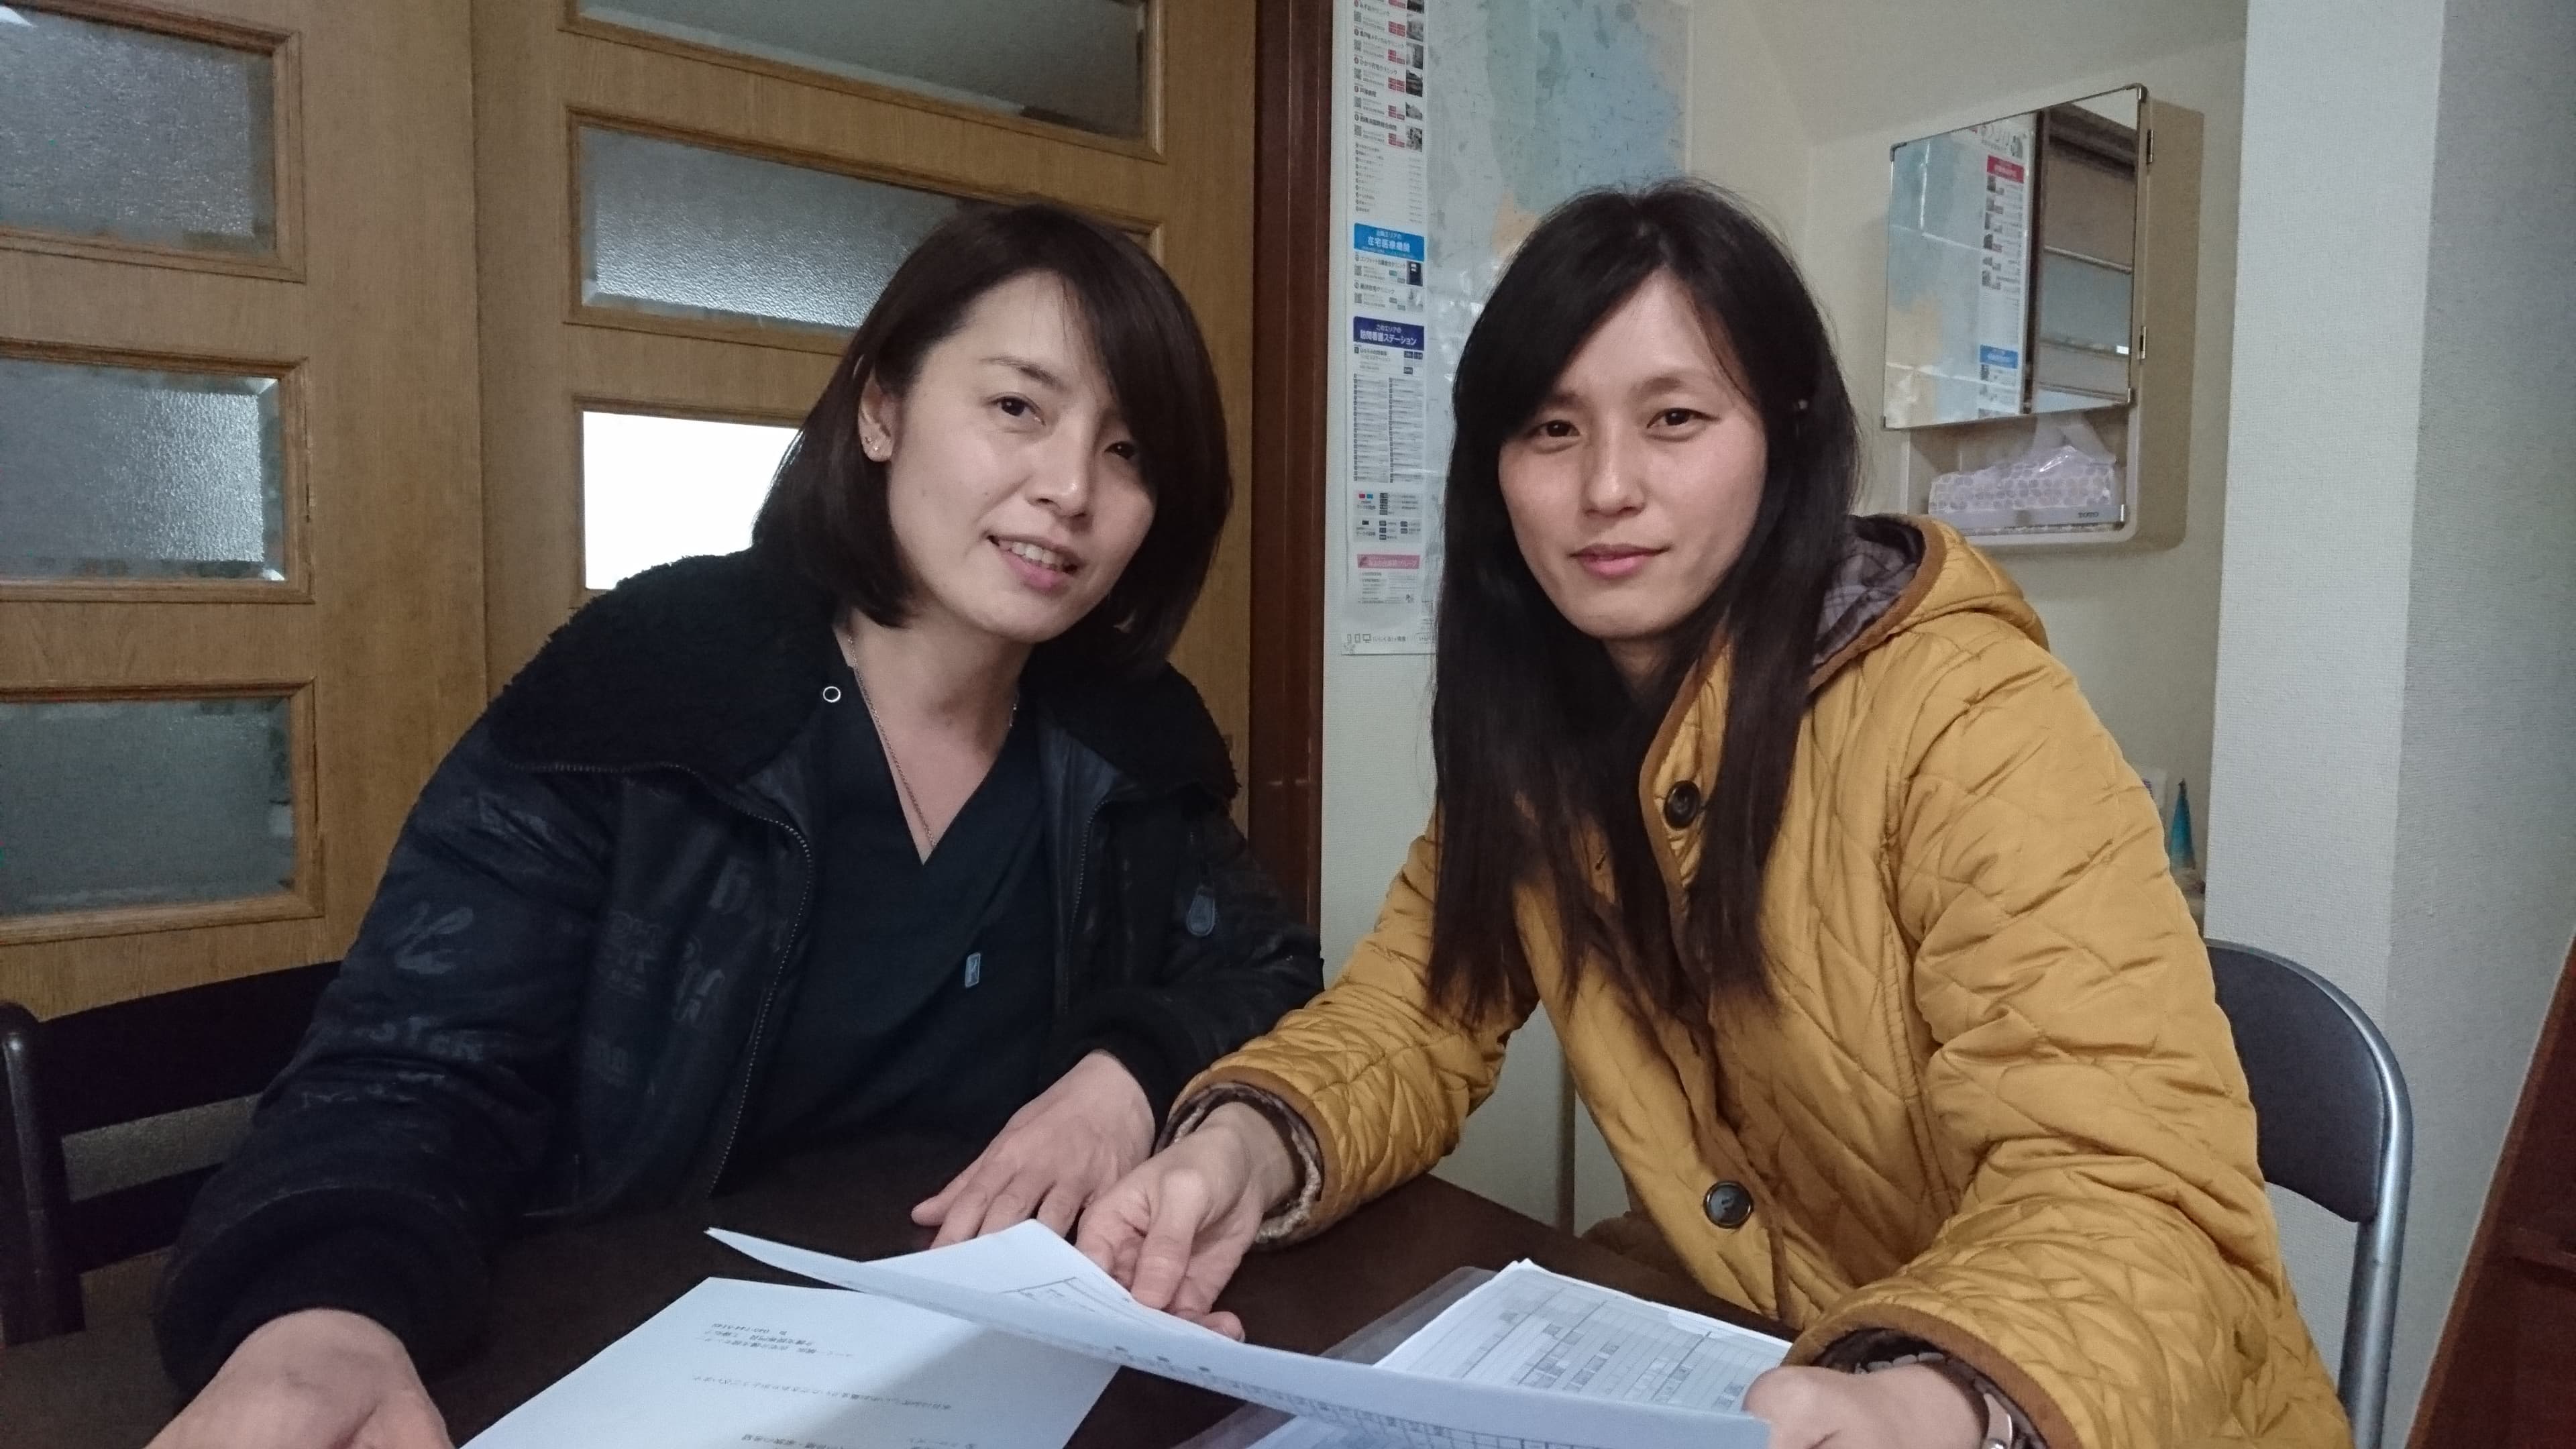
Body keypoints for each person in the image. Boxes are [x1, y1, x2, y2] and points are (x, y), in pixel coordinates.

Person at [1077, 182, 2346, 1449]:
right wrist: (1244, 1147)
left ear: (1785, 433)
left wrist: (1934, 1400)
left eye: (1674, 419)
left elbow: (2130, 1180)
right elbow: (1414, 1015)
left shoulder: (1968, 713)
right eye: (1551, 430)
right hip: (1743, 1358)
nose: (1607, 486)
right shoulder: (1539, 732)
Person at [148, 203, 1322, 1449]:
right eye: (1018, 407)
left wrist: (1128, 1076)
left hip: (992, 1369)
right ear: (881, 410)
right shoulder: (658, 681)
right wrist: (326, 1311)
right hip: (621, 1361)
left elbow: (1270, 974)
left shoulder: (1128, 733)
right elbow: (414, 1062)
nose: (1071, 488)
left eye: (1129, 451)